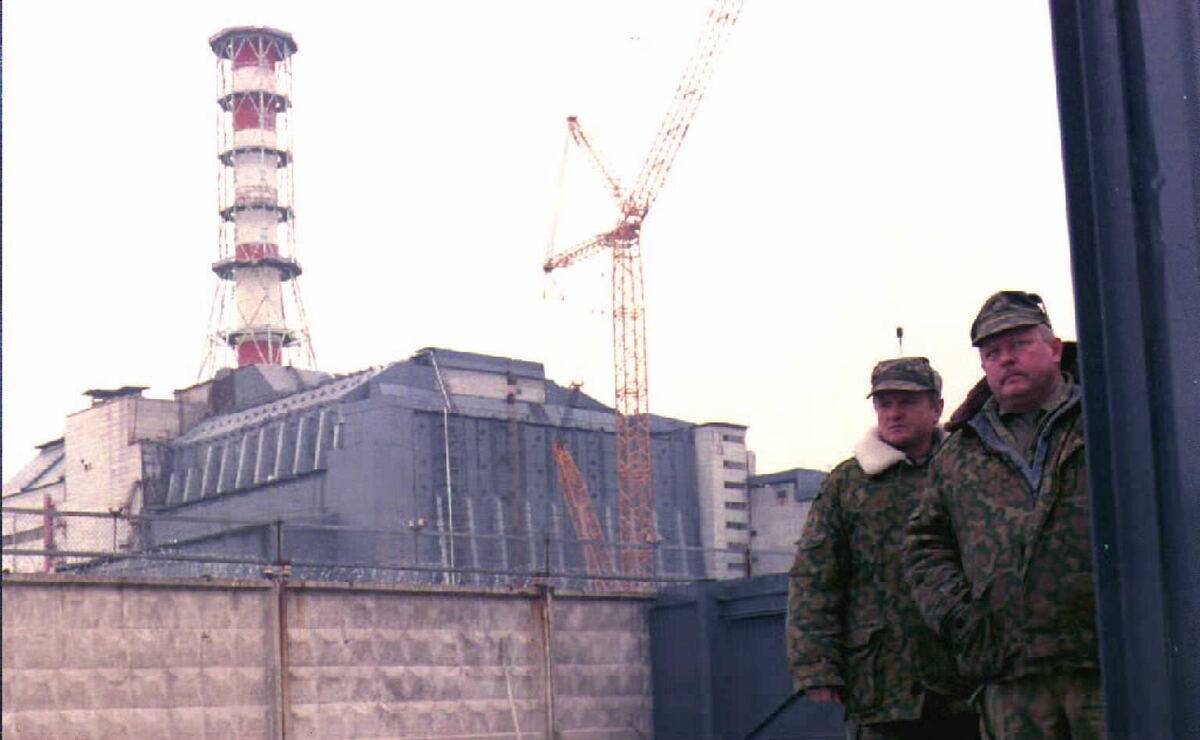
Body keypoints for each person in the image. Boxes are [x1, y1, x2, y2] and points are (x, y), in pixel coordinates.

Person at [903, 291, 1104, 739]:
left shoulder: (1108, 418)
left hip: (1105, 663)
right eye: (993, 353)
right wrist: (961, 619)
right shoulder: (960, 451)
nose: (1006, 360)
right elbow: (924, 545)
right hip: (1010, 673)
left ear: (1054, 349)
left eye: (1019, 345)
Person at [787, 357, 979, 739]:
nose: (894, 413)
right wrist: (817, 665)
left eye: (907, 402)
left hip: (963, 677)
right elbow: (815, 576)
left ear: (936, 407)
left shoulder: (968, 471)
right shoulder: (847, 484)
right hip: (881, 684)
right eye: (884, 403)